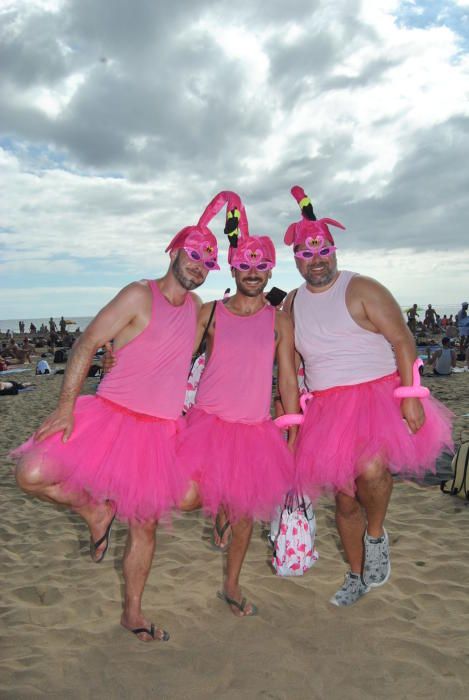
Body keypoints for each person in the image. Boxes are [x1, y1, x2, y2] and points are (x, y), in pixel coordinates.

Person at [11, 195, 224, 643]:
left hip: (160, 431)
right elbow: (86, 343)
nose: (199, 265)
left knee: (155, 519)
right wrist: (67, 404)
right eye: (193, 254)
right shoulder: (137, 293)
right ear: (173, 251)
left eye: (208, 260)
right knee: (30, 472)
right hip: (109, 416)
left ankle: (133, 613)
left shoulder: (197, 307)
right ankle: (93, 509)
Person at [281, 185, 454, 607]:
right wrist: (291, 423)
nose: (316, 261)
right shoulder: (289, 304)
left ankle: (376, 534)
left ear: (334, 250)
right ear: (297, 259)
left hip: (376, 397)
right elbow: (288, 369)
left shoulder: (362, 288)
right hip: (325, 408)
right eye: (306, 254)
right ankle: (357, 574)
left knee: (373, 468)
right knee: (343, 497)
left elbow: (403, 339)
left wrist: (411, 394)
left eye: (323, 252)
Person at [178, 202, 298, 618]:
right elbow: (178, 360)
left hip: (254, 429)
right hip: (206, 424)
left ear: (269, 272)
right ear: (232, 269)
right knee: (186, 495)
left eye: (261, 267)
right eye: (245, 266)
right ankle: (219, 508)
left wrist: (293, 424)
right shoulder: (210, 311)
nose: (253, 273)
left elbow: (286, 376)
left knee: (246, 512)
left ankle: (231, 585)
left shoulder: (279, 320)